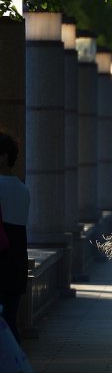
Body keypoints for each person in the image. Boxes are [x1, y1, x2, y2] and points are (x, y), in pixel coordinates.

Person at [0, 131, 31, 343]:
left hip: (2, 258)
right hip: (17, 257)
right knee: (10, 318)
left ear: (3, 157)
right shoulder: (23, 188)